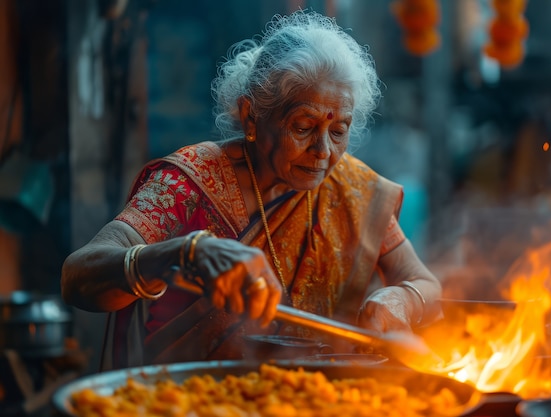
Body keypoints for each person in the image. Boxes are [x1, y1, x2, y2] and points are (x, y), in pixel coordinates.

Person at [61, 10, 442, 370]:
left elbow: (425, 283)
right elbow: (77, 277)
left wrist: (403, 298)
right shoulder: (191, 181)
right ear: (251, 116)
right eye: (304, 126)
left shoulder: (354, 190)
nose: (324, 152)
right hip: (194, 402)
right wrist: (184, 253)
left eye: (339, 131)